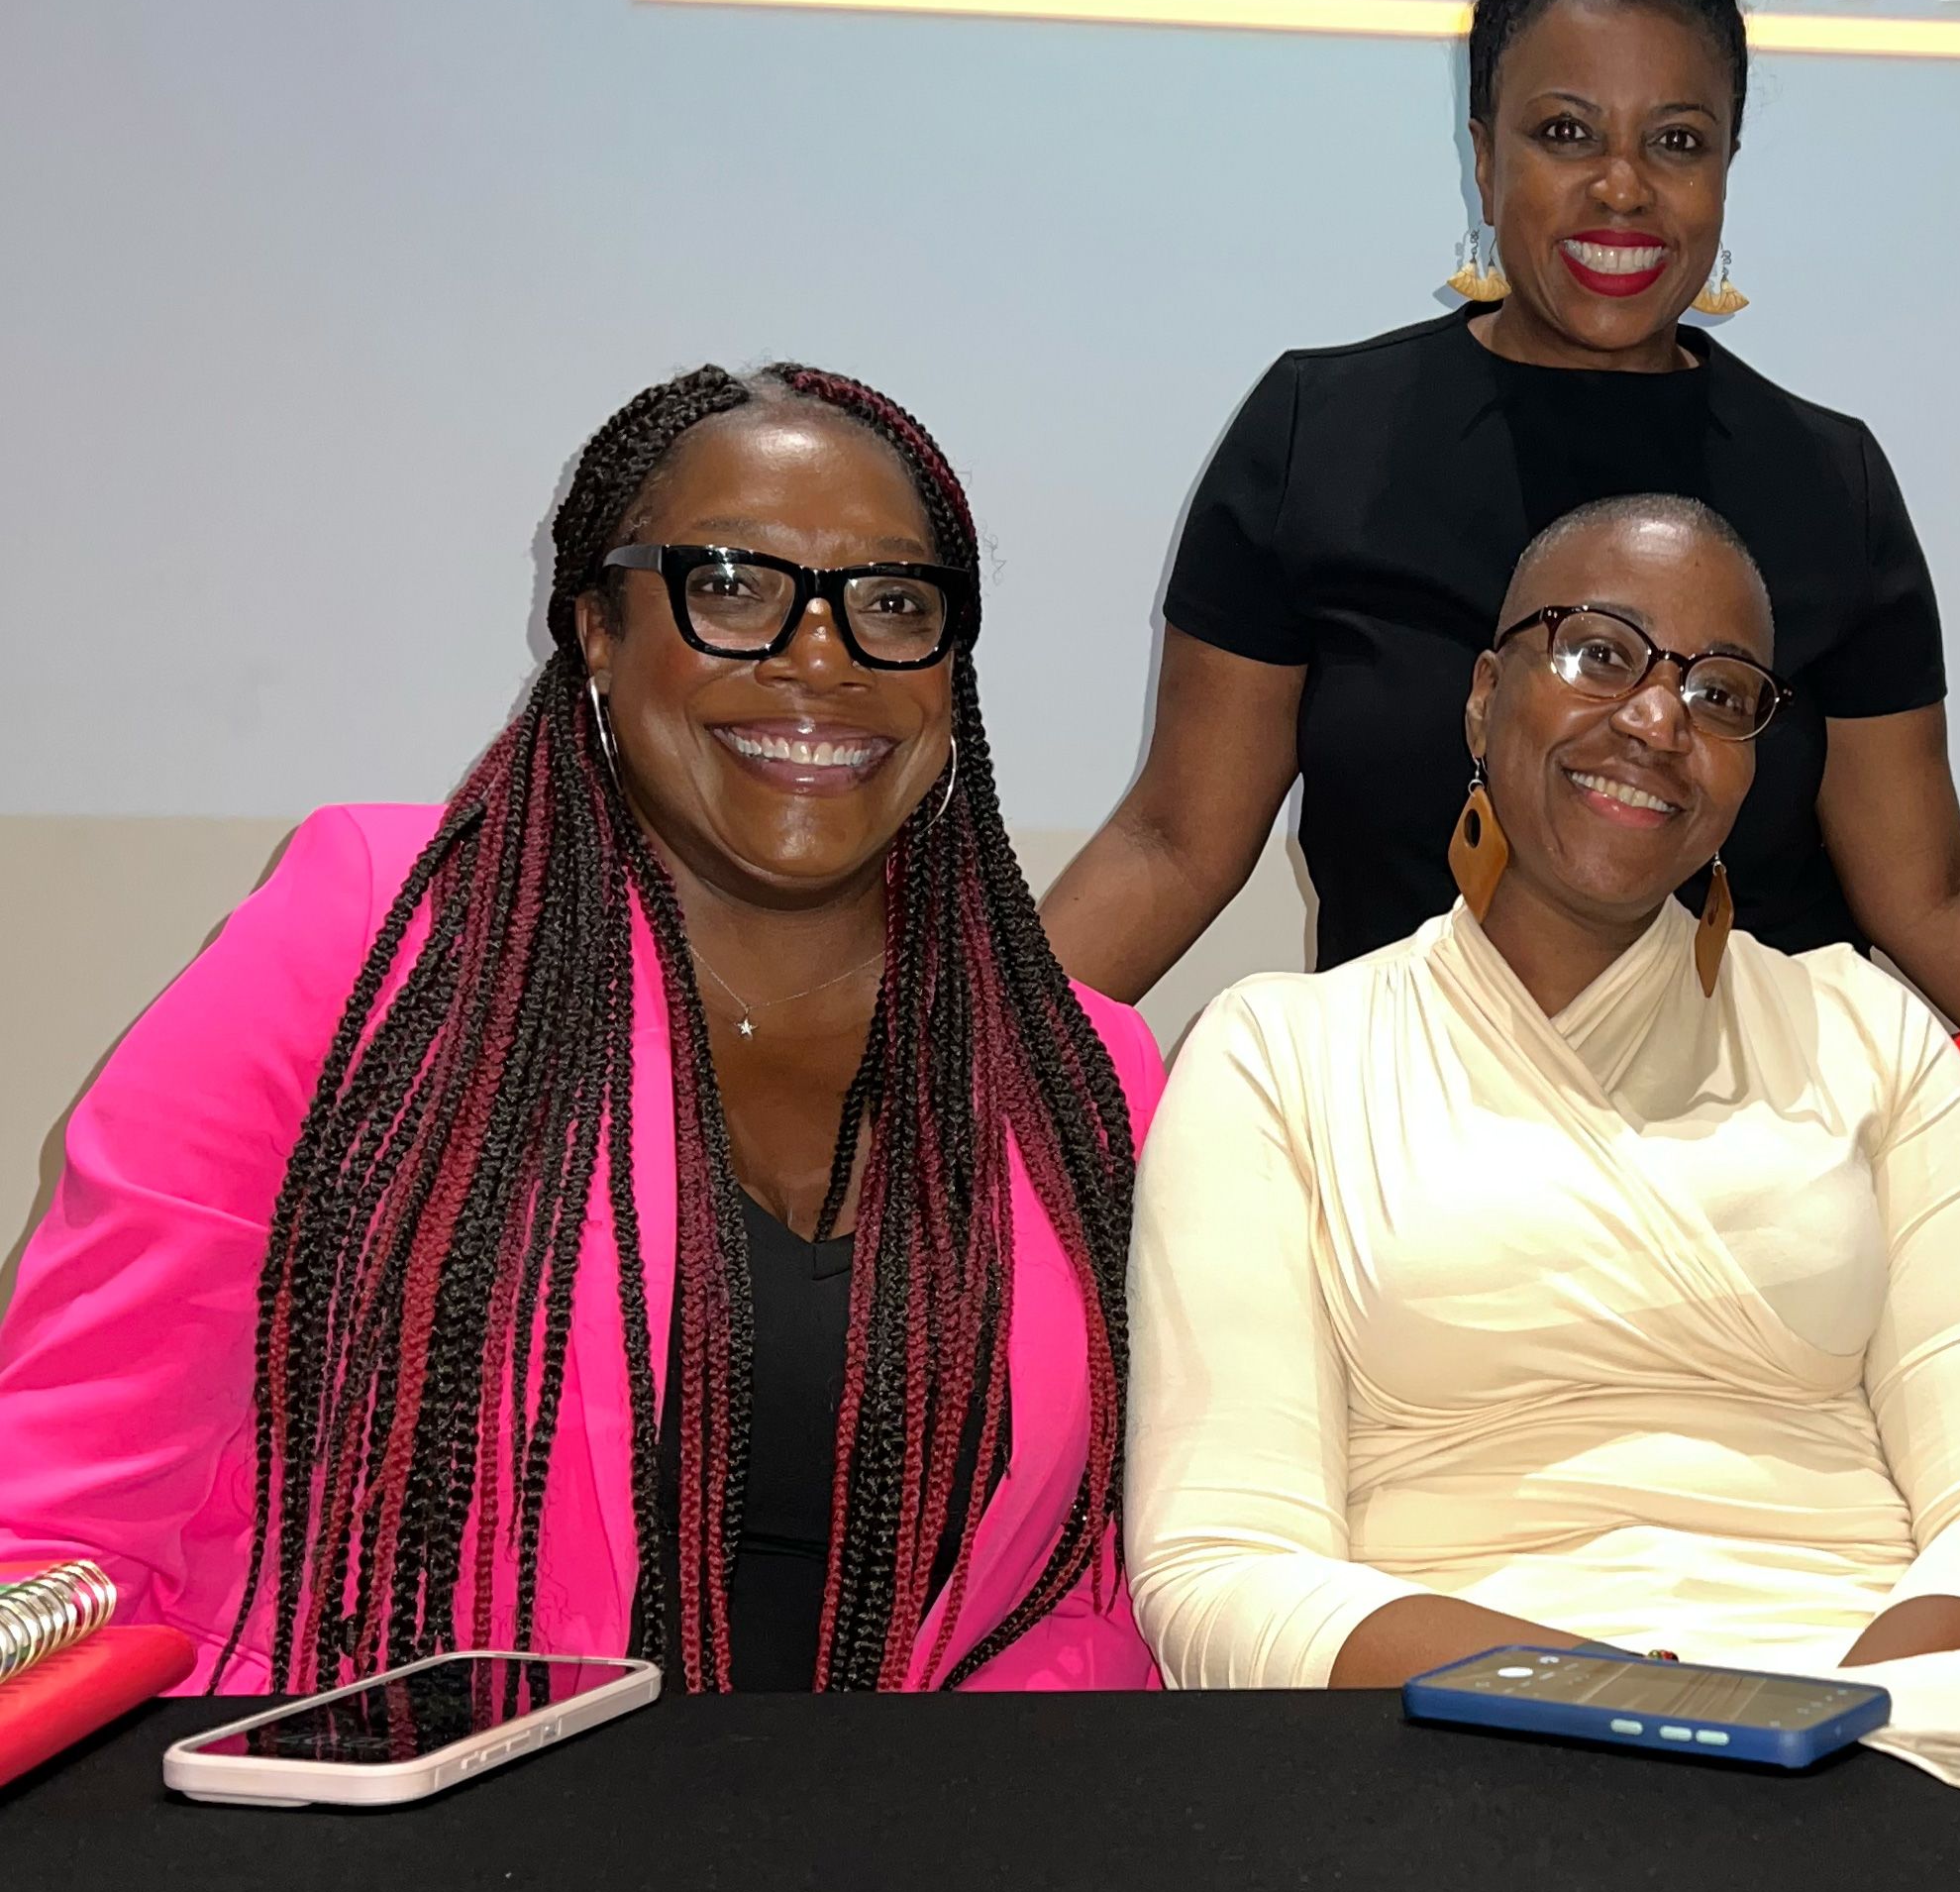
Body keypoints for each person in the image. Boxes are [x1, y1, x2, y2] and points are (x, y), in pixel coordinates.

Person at [0, 366, 1161, 1695]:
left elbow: (1089, 1591)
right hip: (393, 1843)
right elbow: (74, 1501)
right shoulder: (369, 938)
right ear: (595, 626)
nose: (823, 656)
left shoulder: (1083, 1073)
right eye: (732, 583)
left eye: (894, 601)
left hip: (908, 1864)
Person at [1040, 0, 1960, 1027]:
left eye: (1677, 141)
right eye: (1566, 133)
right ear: (1483, 151)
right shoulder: (1323, 437)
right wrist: (939, 1093)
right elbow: (1170, 843)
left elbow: (1938, 898)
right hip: (1401, 1155)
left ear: (1730, 164)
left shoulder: (1826, 482)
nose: (1623, 189)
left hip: (1755, 1163)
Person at [1123, 496, 1960, 1687]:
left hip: (1882, 1716)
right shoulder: (1275, 1054)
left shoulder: (1871, 1035)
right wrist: (1650, 1708)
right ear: (1486, 696)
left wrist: (1837, 1716)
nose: (1656, 719)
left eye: (1721, 692)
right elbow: (1220, 1563)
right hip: (1455, 1740)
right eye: (1600, 651)